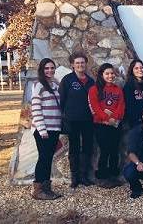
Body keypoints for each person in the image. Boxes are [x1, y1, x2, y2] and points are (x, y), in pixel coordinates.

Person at [59, 52, 95, 187]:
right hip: (71, 120)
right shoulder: (67, 80)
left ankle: (84, 176)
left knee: (87, 147)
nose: (80, 65)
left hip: (88, 120)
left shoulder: (91, 81)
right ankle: (75, 177)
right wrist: (63, 117)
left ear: (86, 64)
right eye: (77, 63)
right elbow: (61, 100)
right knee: (74, 148)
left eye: (82, 62)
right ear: (72, 65)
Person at [30, 58, 63, 200]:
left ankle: (46, 188)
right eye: (46, 68)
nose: (50, 70)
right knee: (43, 158)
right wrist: (42, 130)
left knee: (48, 158)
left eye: (52, 68)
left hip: (54, 128)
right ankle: (37, 189)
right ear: (42, 70)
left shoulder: (54, 85)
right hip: (43, 130)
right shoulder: (38, 85)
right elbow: (36, 109)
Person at [88, 63, 125, 187]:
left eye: (112, 73)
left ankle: (113, 175)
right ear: (101, 75)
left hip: (115, 124)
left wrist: (115, 118)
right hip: (101, 125)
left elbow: (121, 106)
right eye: (107, 73)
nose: (110, 76)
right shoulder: (94, 89)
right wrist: (106, 118)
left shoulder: (117, 89)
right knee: (105, 150)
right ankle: (102, 176)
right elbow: (95, 107)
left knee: (114, 150)